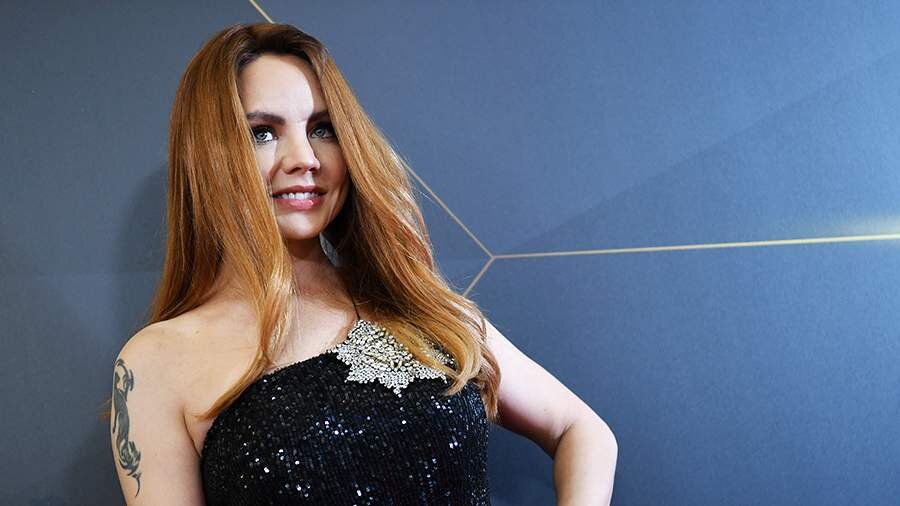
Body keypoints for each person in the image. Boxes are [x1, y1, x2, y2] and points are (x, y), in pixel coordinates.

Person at [107, 22, 617, 505]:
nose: (305, 157)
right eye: (263, 132)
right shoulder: (156, 365)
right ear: (206, 157)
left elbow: (582, 430)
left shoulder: (417, 305)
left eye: (323, 128)